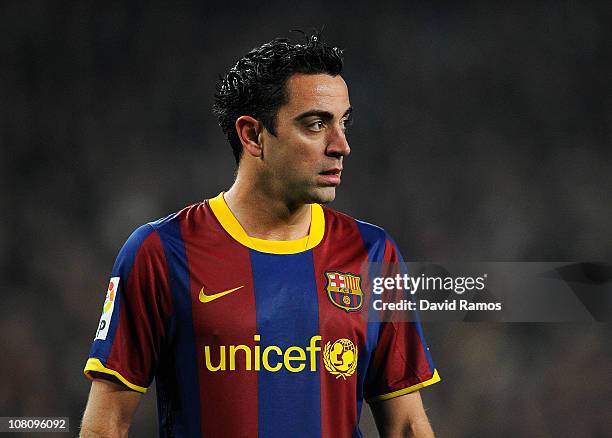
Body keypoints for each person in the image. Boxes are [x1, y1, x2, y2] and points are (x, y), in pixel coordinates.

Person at [80, 32, 440, 438]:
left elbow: (407, 425)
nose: (342, 145)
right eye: (317, 124)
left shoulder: (373, 252)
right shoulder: (160, 252)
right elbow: (106, 423)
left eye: (343, 123)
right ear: (252, 135)